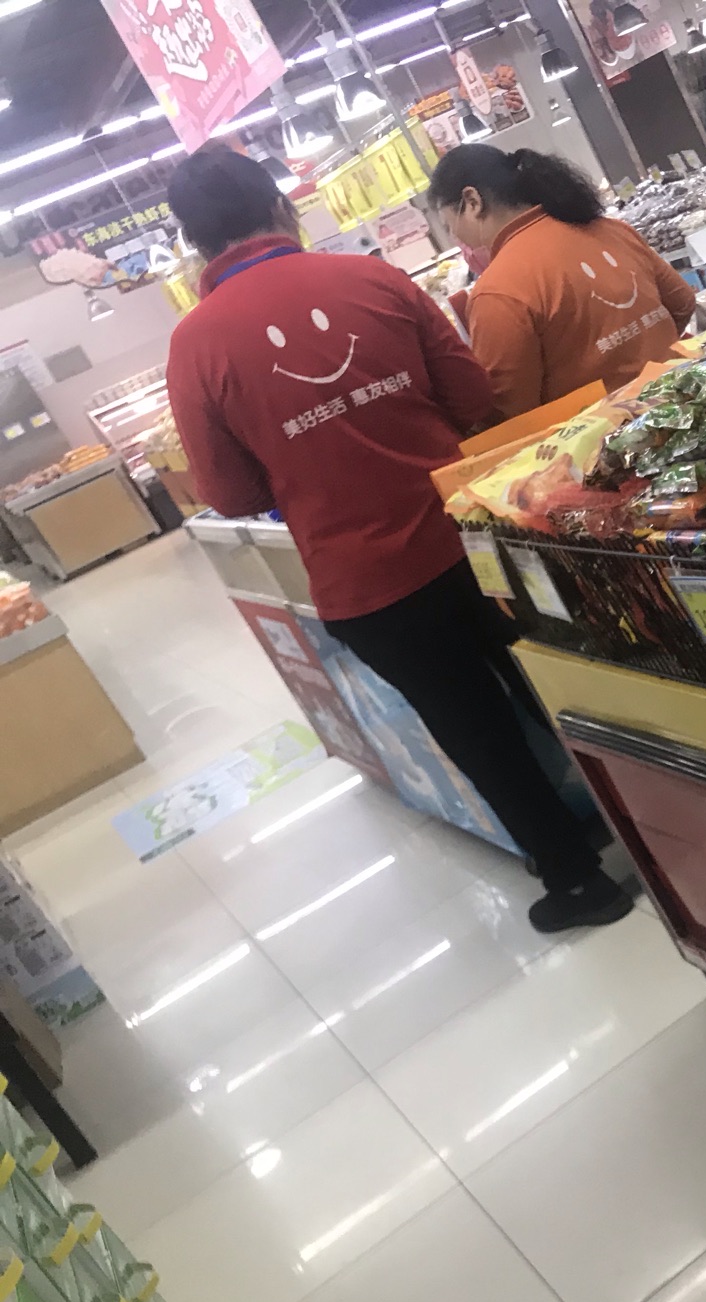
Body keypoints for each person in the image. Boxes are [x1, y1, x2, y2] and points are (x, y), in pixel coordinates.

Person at [164, 146, 631, 934]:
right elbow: (471, 394)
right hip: (473, 534)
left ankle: (579, 879)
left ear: (193, 245)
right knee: (557, 682)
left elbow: (231, 493)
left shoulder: (194, 346)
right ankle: (653, 826)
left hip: (367, 584)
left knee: (473, 728)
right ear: (281, 208)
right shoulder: (373, 280)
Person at [426, 144, 696, 417]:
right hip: (691, 401)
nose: (456, 237)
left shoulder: (498, 290)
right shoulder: (612, 230)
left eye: (449, 226)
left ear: (472, 202)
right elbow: (682, 302)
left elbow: (510, 409)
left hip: (615, 433)